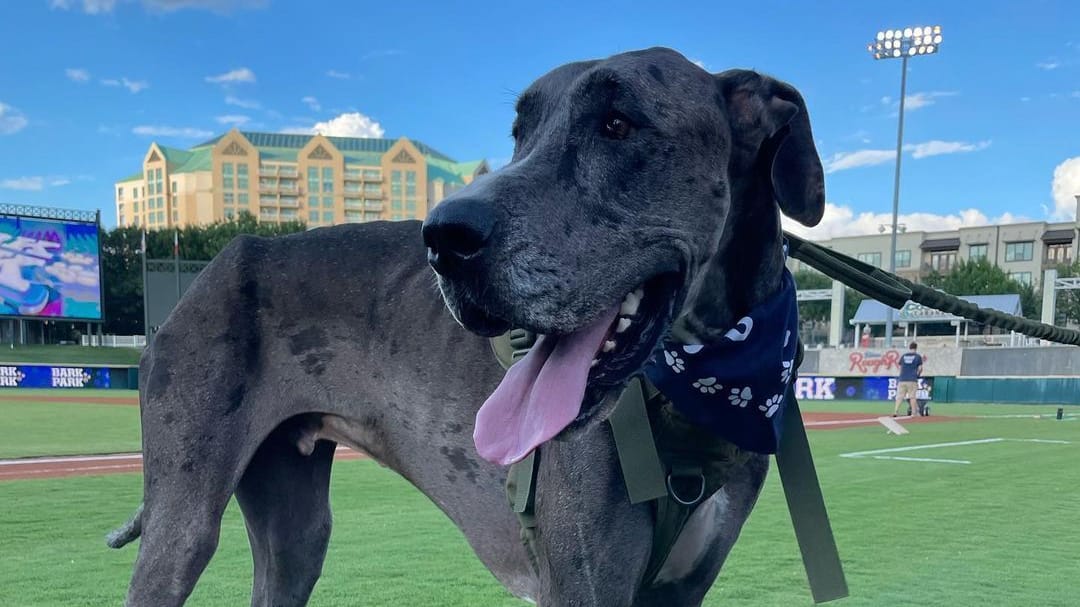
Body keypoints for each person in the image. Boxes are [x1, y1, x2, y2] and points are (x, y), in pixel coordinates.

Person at [893, 342, 923, 417]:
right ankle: (914, 413)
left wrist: (901, 375)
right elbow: (920, 368)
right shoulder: (917, 356)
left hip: (902, 379)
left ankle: (896, 411)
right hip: (912, 379)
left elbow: (899, 367)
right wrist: (918, 375)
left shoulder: (903, 356)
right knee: (912, 397)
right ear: (916, 348)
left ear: (909, 348)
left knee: (900, 396)